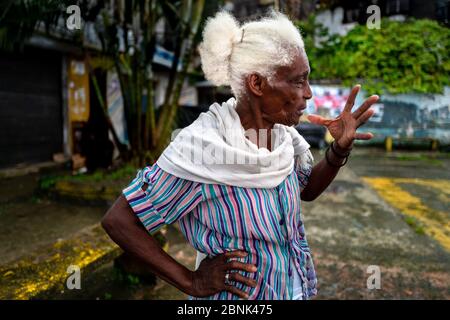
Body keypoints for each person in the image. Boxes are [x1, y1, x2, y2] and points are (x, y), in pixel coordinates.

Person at [101, 11, 378, 300]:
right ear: (257, 84)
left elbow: (305, 190)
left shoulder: (283, 137)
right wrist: (191, 281)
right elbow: (119, 221)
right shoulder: (201, 148)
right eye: (298, 81)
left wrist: (338, 150)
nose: (308, 93)